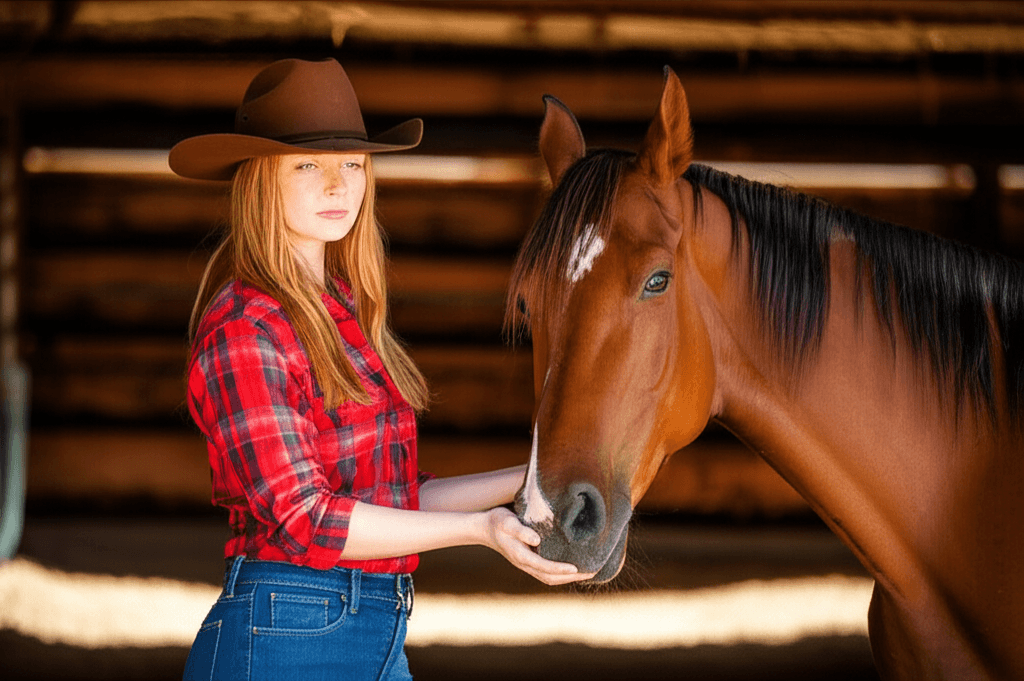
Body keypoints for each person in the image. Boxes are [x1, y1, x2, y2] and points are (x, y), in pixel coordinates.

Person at [169, 58, 590, 681]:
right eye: (308, 165)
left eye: (353, 164)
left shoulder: (342, 313)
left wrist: (531, 478)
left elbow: (390, 501)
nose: (337, 185)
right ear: (260, 181)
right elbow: (310, 518)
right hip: (287, 630)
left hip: (374, 632)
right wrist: (479, 531)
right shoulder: (245, 328)